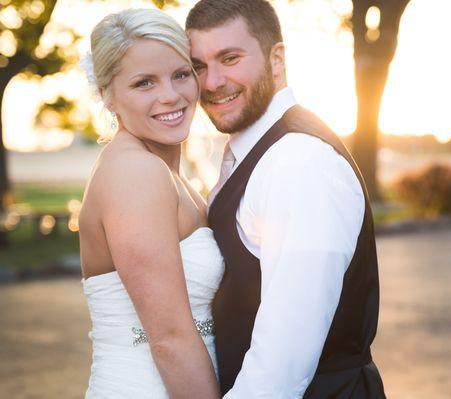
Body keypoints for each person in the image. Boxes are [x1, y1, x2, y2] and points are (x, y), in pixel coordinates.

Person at [186, 0, 386, 397]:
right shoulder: (260, 150)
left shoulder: (298, 162)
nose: (211, 82)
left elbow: (283, 357)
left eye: (230, 58)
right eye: (198, 65)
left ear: (277, 59)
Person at [78, 8, 222, 398]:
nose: (171, 95)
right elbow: (169, 339)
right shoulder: (136, 174)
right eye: (144, 83)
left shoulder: (165, 171)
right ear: (107, 96)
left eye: (180, 74)